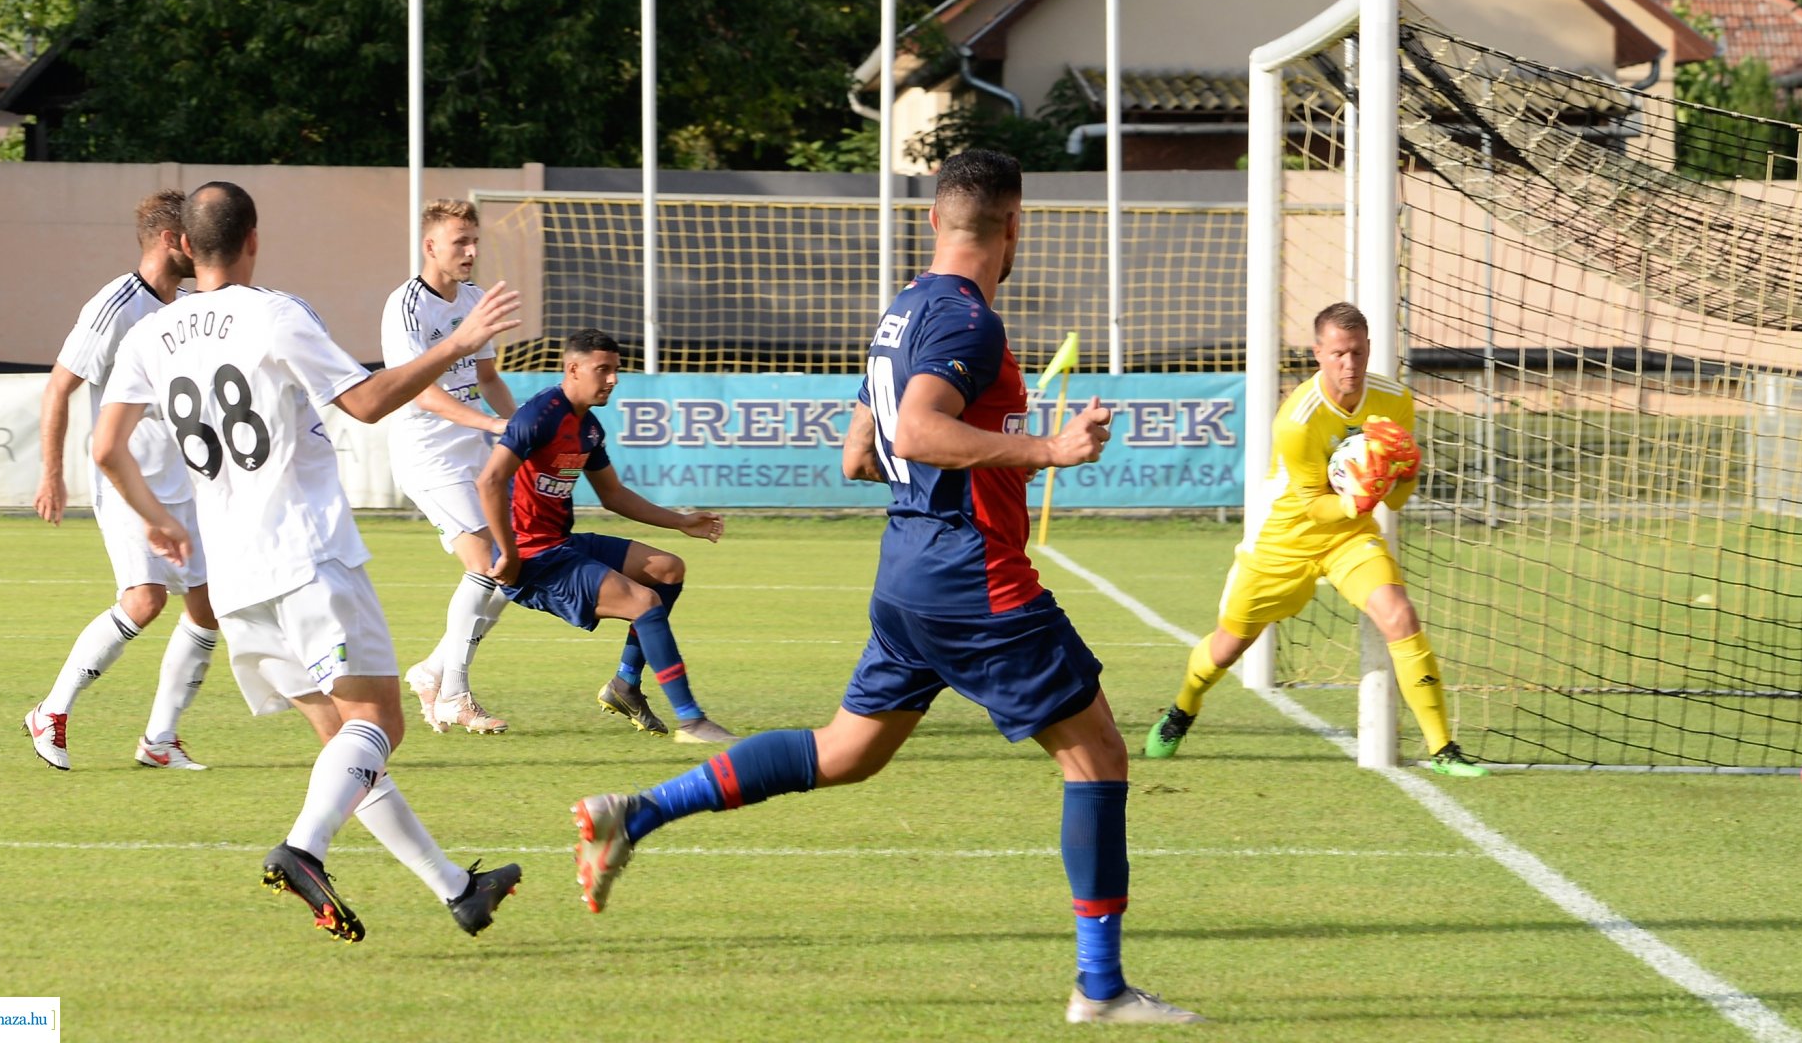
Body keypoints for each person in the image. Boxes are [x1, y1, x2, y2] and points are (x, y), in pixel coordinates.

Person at [566, 150, 1203, 1027]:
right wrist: (1048, 450)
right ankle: (1101, 989)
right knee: (1097, 756)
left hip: (908, 570)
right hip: (971, 575)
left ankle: (634, 814)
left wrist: (955, 466)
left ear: (935, 221)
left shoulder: (902, 310)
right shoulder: (969, 324)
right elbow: (918, 427)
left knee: (845, 753)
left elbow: (860, 454)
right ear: (1015, 227)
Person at [92, 180, 524, 943]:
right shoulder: (274, 313)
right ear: (254, 239)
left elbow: (104, 449)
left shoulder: (147, 335)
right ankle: (303, 848)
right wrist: (456, 344)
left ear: (185, 248)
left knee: (345, 747)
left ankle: (458, 890)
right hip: (305, 554)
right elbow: (365, 402)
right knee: (380, 724)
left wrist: (159, 521)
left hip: (230, 578)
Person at [1143, 301, 1487, 778]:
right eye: (1340, 353)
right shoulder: (1296, 420)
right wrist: (1358, 499)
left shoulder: (1394, 400)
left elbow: (1399, 500)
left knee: (1400, 615)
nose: (1350, 365)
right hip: (1283, 541)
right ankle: (1183, 708)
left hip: (1348, 538)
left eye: (1360, 353)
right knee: (1227, 647)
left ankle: (1443, 749)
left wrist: (1408, 469)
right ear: (1318, 353)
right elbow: (1313, 504)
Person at [25, 191, 221, 773]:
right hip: (128, 481)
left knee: (210, 607)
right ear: (169, 240)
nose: (199, 245)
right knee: (143, 602)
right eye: (191, 236)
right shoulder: (113, 306)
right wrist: (52, 475)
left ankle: (160, 739)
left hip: (183, 483)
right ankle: (51, 711)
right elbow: (59, 387)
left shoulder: (187, 306)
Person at [477, 328, 735, 744]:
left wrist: (681, 521)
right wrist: (506, 553)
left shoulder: (588, 428)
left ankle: (625, 685)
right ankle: (692, 722)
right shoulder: (538, 416)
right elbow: (489, 481)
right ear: (573, 368)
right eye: (604, 370)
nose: (613, 379)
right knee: (644, 603)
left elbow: (612, 495)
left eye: (616, 370)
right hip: (533, 561)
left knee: (668, 570)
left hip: (562, 544)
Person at [381, 199, 518, 735]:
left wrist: (522, 428)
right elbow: (421, 394)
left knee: (512, 568)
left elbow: (487, 379)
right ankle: (454, 696)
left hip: (473, 450)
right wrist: (490, 427)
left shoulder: (476, 299)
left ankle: (433, 671)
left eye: (475, 241)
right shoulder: (406, 307)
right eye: (460, 241)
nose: (471, 251)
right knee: (487, 564)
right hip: (428, 453)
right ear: (430, 245)